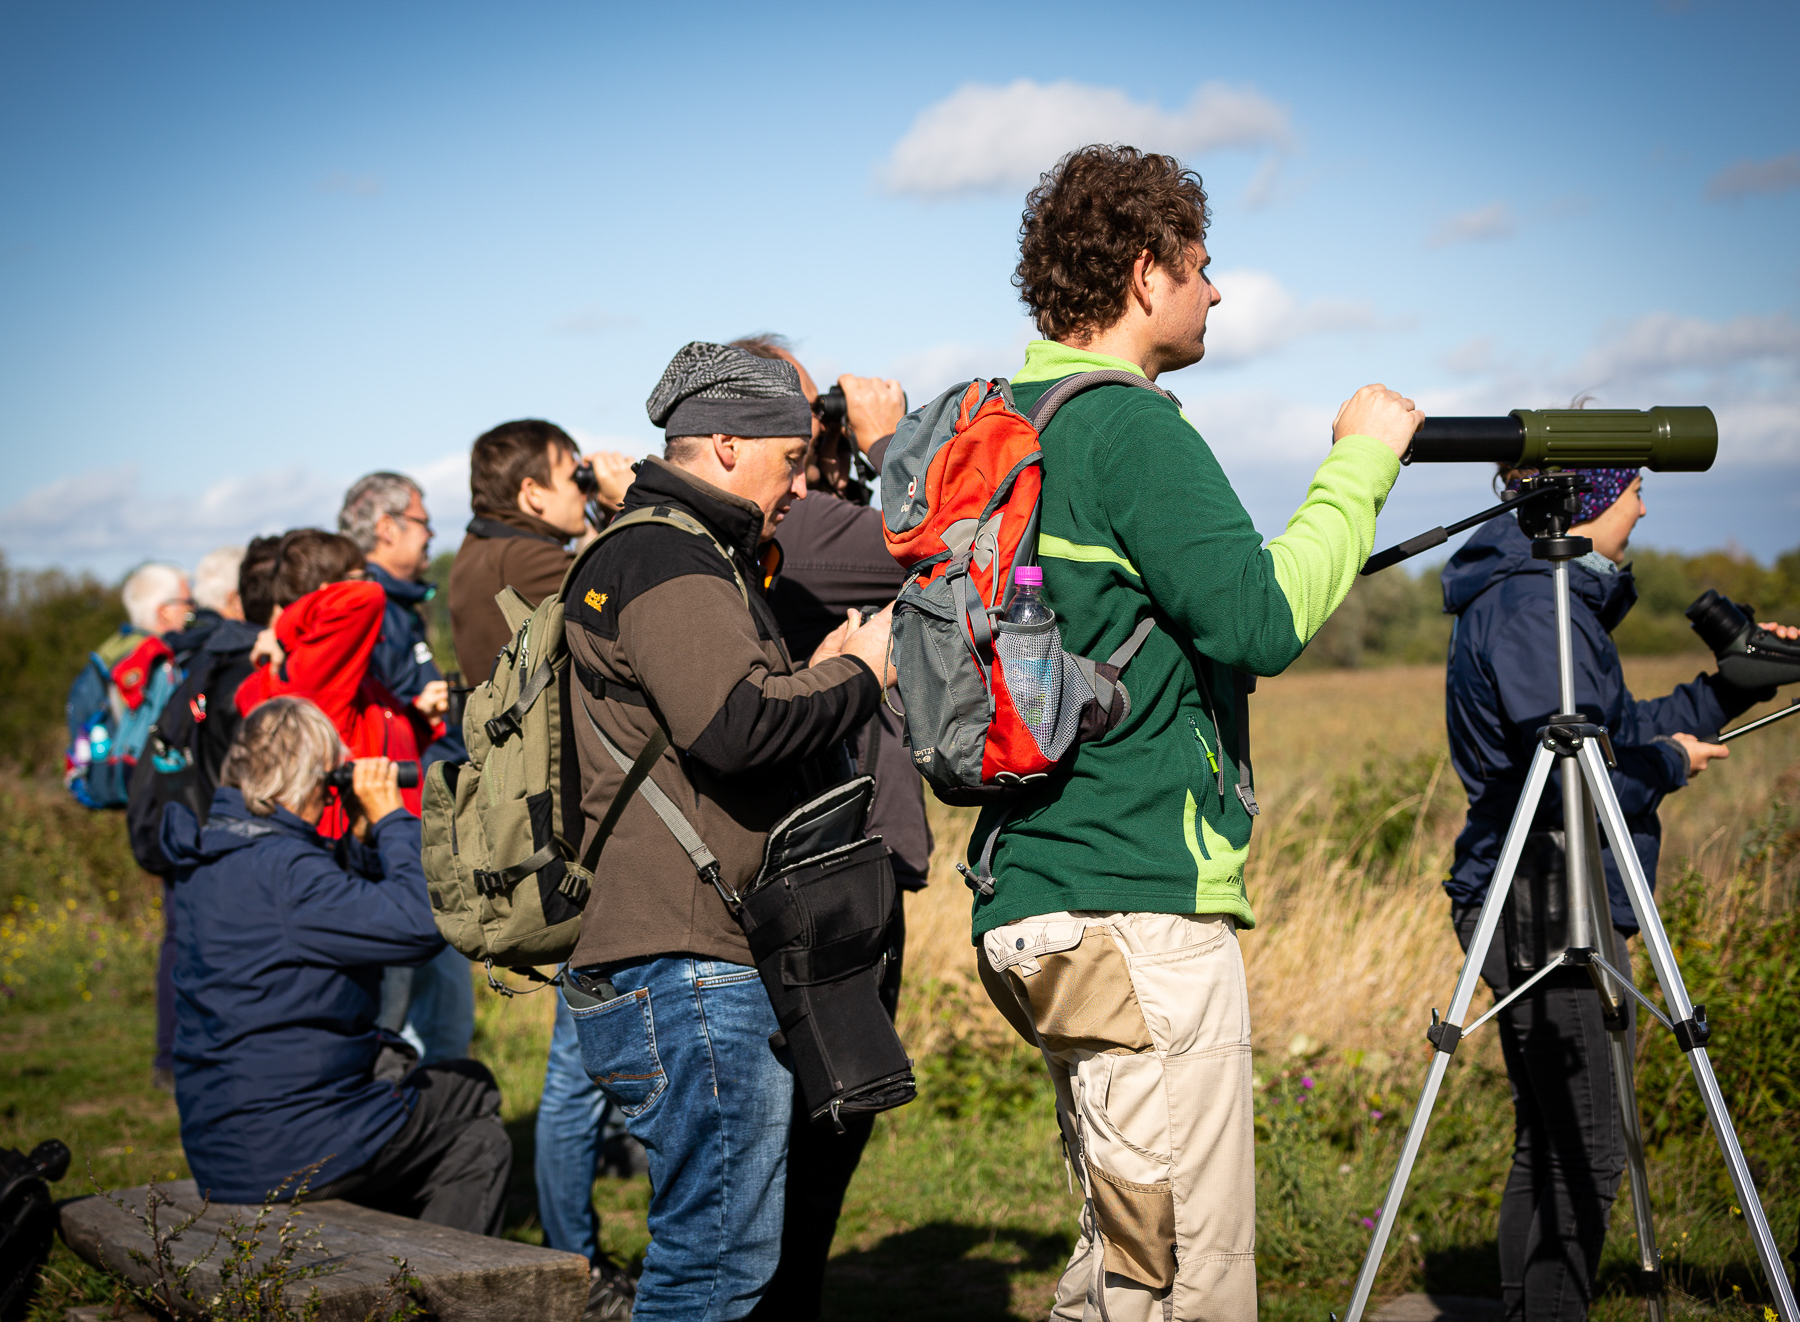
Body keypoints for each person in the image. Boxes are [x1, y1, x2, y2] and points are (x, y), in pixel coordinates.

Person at [964, 145, 1422, 1322]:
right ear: (1143, 272)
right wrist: (1360, 465)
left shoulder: (1006, 423)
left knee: (1125, 1249)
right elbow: (1259, 619)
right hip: (1137, 907)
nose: (1216, 293)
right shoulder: (1130, 429)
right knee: (1187, 1276)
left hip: (1036, 894)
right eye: (1204, 268)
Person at [560, 340, 893, 1321]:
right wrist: (859, 675)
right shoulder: (666, 553)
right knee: (712, 1269)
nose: (799, 488)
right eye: (793, 461)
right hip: (691, 963)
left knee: (718, 1255)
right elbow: (735, 727)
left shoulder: (665, 546)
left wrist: (811, 670)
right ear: (725, 443)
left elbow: (700, 716)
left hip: (677, 954)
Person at [1440, 466, 1795, 1322]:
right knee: (1589, 1144)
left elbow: (1609, 730)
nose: (1644, 505)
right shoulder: (1533, 609)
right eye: (1632, 488)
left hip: (1550, 889)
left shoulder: (1548, 599)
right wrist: (1671, 764)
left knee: (1554, 1138)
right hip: (1547, 900)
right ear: (1588, 501)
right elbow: (1570, 774)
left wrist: (1723, 693)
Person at [731, 334, 925, 1322]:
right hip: (840, 860)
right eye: (808, 414)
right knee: (832, 1109)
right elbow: (929, 548)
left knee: (807, 1118)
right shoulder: (800, 530)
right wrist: (893, 449)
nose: (818, 429)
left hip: (810, 855)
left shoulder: (787, 526)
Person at [162, 696, 509, 1233]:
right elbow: (420, 924)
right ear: (312, 782)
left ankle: (390, 1254)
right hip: (288, 1146)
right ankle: (432, 1288)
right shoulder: (286, 874)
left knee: (424, 1094)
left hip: (223, 1141)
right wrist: (393, 816)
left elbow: (341, 912)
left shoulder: (213, 858)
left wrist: (362, 839)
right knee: (472, 1108)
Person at [442, 421, 638, 1305]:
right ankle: (578, 1265)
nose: (579, 488)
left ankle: (576, 1253)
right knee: (574, 1075)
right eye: (568, 477)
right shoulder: (529, 561)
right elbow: (628, 592)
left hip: (521, 824)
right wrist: (627, 499)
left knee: (578, 1064)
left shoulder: (475, 556)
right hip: (566, 822)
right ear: (531, 496)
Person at [339, 471, 474, 1068]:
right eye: (422, 522)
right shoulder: (363, 607)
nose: (430, 535)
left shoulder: (399, 605)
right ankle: (390, 1135)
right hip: (398, 826)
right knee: (393, 1006)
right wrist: (419, 717)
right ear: (387, 527)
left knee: (443, 1008)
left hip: (425, 822)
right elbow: (358, 718)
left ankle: (443, 1130)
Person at [142, 543, 269, 1094]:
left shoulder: (189, 654)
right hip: (216, 816)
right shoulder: (237, 658)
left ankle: (174, 1057)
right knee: (222, 947)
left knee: (184, 938)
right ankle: (207, 1064)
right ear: (238, 597)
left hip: (178, 813)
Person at [235, 530, 431, 836]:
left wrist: (421, 720)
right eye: (361, 575)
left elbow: (373, 748)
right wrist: (286, 628)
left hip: (392, 842)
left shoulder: (348, 667)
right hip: (361, 853)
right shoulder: (311, 670)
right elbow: (366, 598)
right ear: (328, 593)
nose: (372, 582)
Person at [447, 421, 634, 684]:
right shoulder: (526, 558)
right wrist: (632, 504)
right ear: (533, 492)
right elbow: (631, 612)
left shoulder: (481, 546)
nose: (585, 493)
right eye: (575, 479)